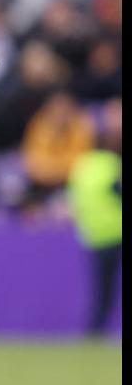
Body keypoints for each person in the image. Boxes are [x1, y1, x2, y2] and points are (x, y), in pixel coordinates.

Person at [67, 97, 122, 336]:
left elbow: (75, 200)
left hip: (94, 236)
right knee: (106, 289)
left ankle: (94, 331)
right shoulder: (112, 165)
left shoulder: (83, 165)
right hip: (116, 233)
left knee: (101, 290)